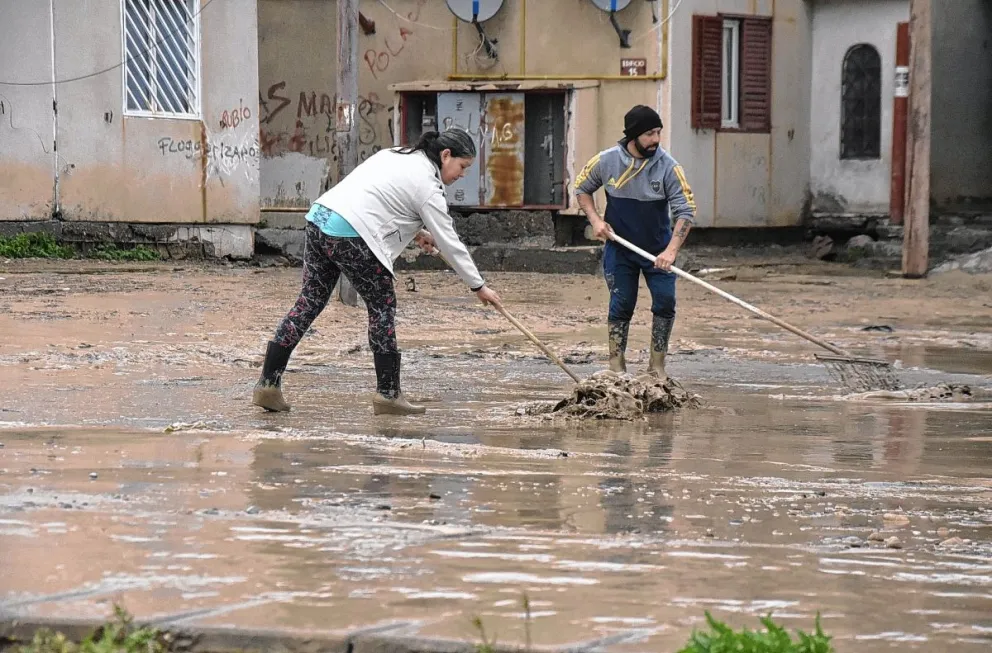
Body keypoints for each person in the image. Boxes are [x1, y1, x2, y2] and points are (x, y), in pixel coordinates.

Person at [252, 128, 502, 417]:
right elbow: (450, 241)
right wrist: (478, 286)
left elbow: (376, 197)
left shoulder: (396, 154)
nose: (462, 174)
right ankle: (388, 394)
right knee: (382, 308)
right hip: (352, 234)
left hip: (320, 219)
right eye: (462, 167)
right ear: (446, 155)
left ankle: (268, 384)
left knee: (308, 303)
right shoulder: (428, 187)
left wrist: (417, 231)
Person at [574, 104, 696, 379]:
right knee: (622, 303)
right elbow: (582, 188)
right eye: (650, 133)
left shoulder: (669, 167)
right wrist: (595, 220)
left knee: (665, 302)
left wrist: (671, 251)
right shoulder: (606, 161)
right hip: (620, 249)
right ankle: (617, 366)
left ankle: (657, 367)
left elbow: (686, 211)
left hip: (658, 250)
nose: (655, 139)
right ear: (633, 135)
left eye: (658, 133)